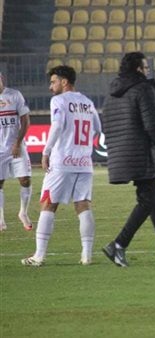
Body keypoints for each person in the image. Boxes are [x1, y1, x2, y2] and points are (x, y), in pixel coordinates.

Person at [101, 52, 155, 267]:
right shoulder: (142, 88)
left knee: (152, 194)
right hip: (139, 152)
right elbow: (152, 125)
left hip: (121, 152)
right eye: (146, 67)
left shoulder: (113, 92)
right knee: (147, 199)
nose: (148, 71)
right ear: (139, 69)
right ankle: (118, 245)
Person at [21, 65, 101, 266]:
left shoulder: (59, 100)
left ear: (64, 82)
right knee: (83, 205)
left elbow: (56, 126)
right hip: (84, 163)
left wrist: (46, 152)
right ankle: (87, 255)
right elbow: (98, 130)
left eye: (53, 81)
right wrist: (82, 148)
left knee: (48, 204)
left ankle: (39, 256)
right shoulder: (87, 102)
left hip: (62, 161)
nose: (50, 86)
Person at [0, 71, 33, 232]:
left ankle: (23, 212)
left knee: (25, 179)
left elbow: (25, 120)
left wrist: (18, 143)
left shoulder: (14, 95)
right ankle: (0, 219)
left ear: (1, 78)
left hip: (16, 146)